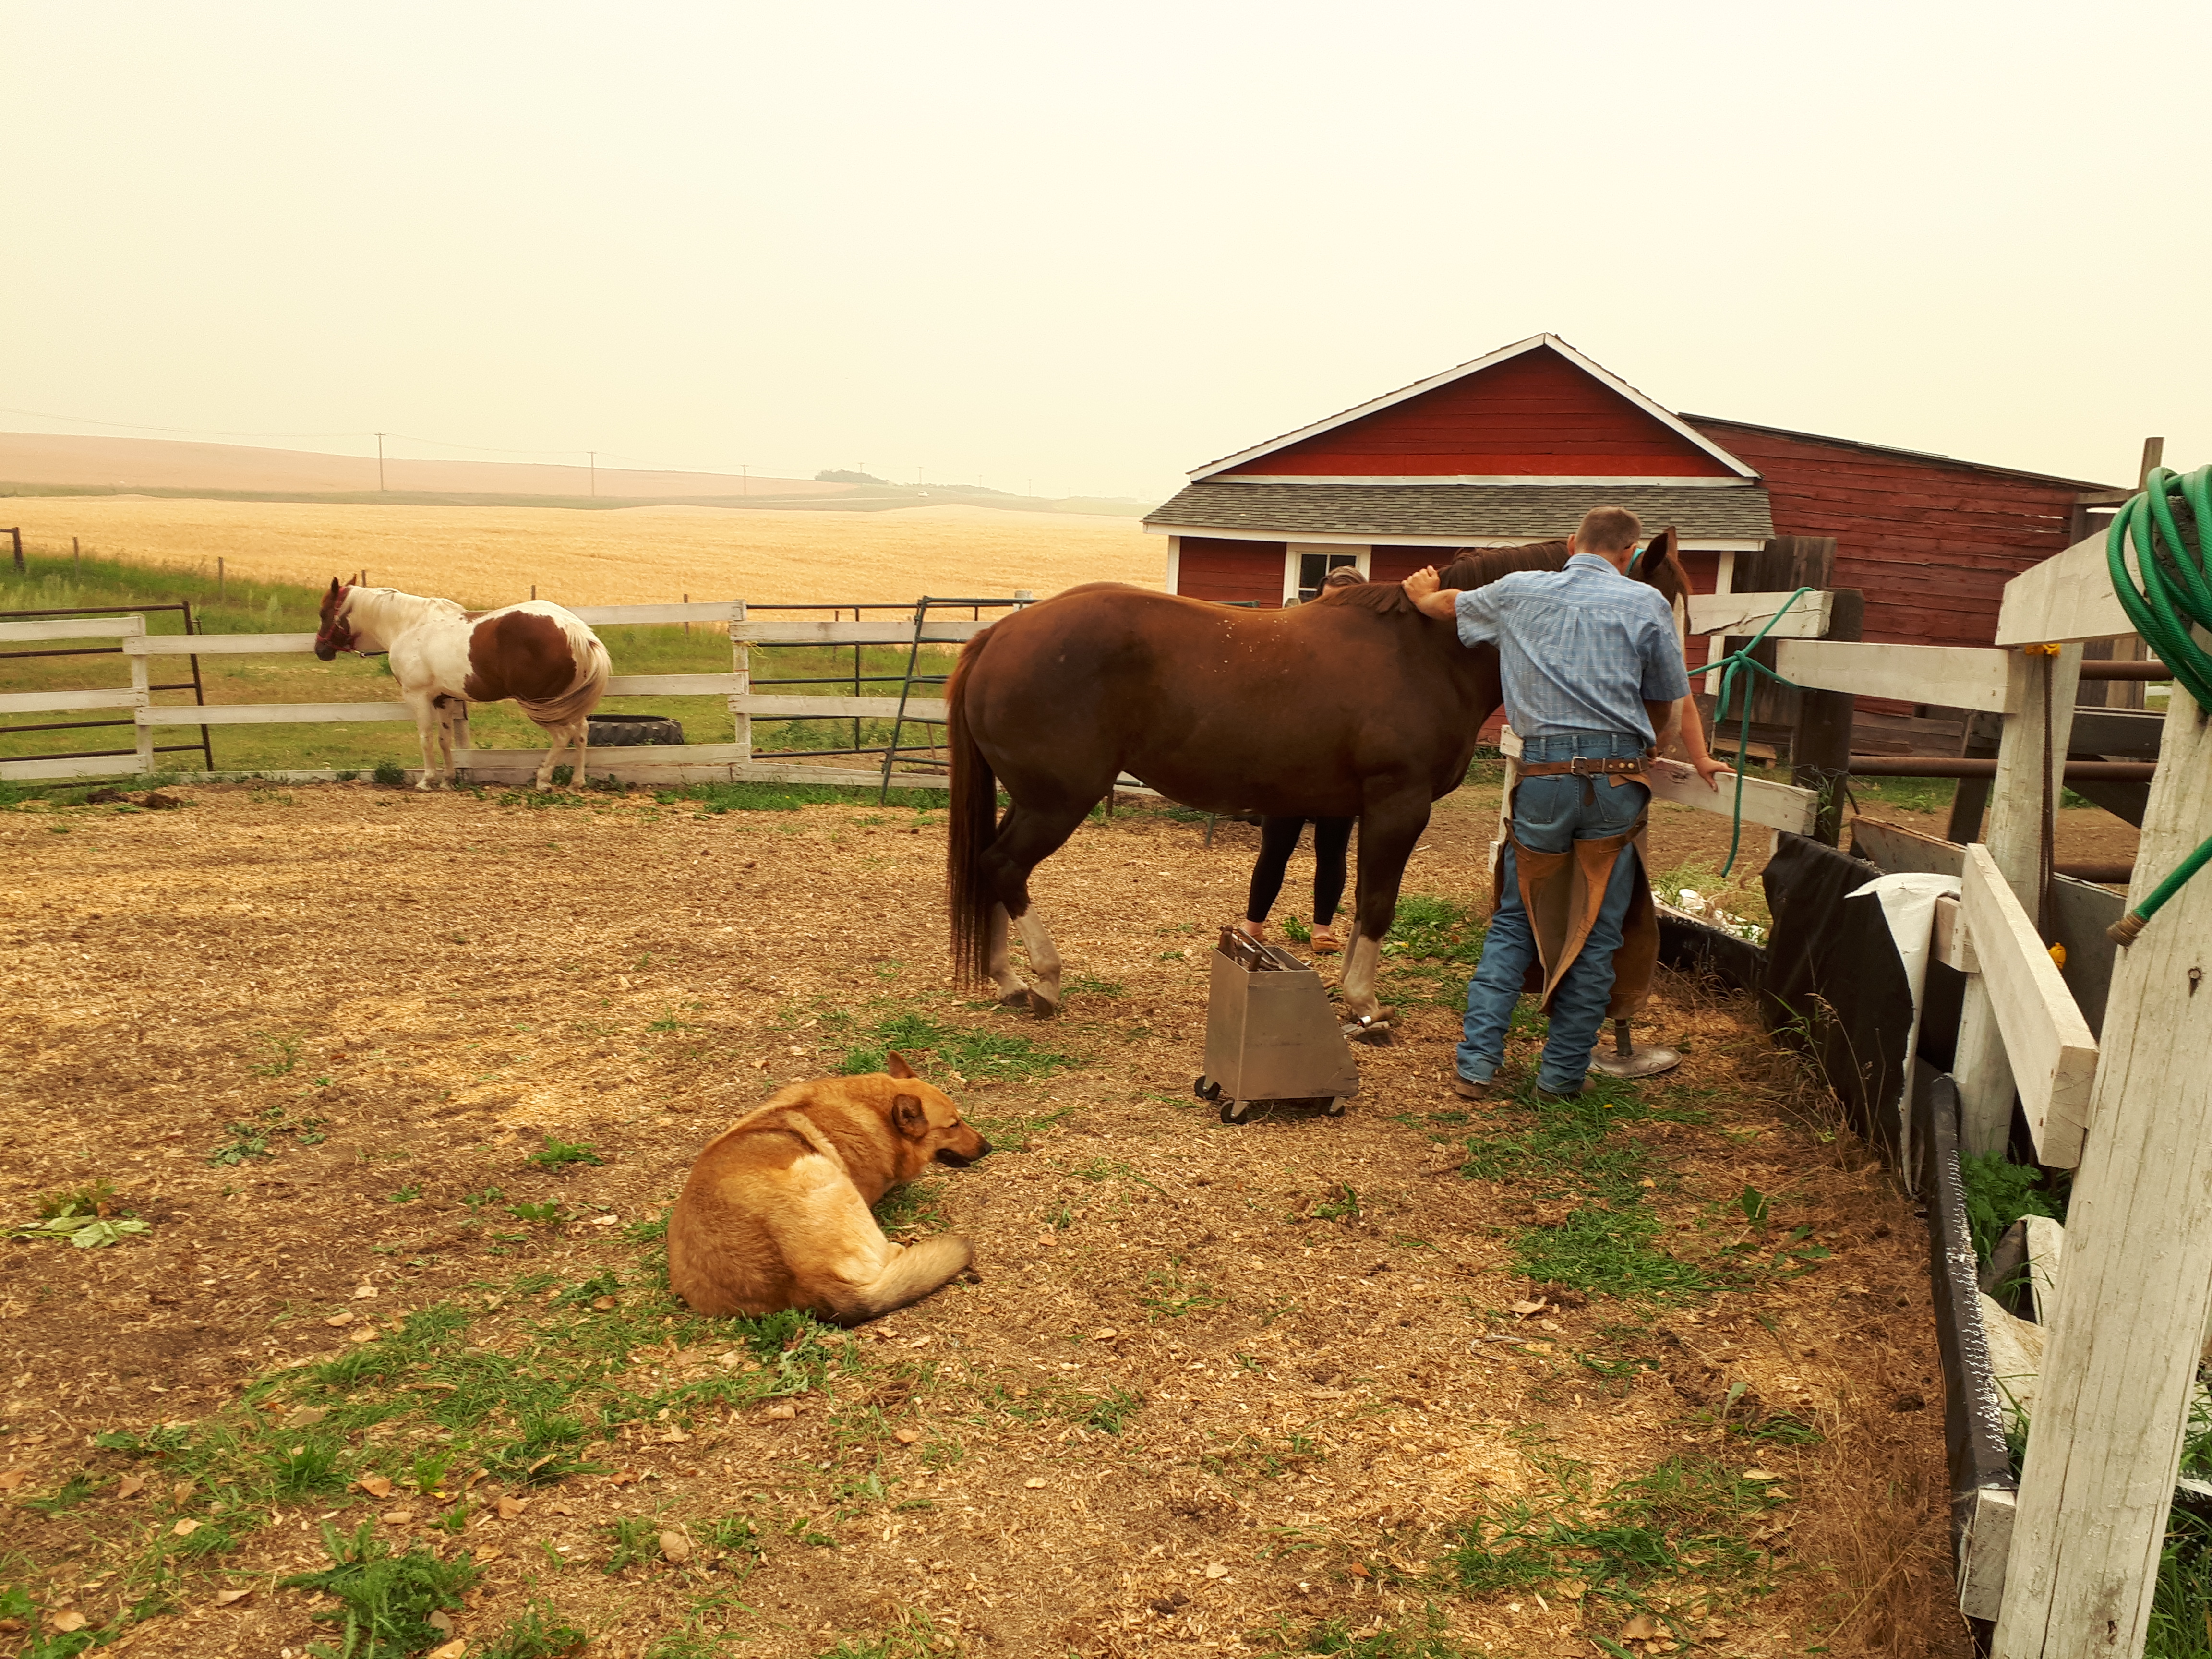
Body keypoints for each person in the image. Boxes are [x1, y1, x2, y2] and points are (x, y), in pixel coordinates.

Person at [1403, 506, 1701, 1100]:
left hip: (1543, 774)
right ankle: (1561, 1076)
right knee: (1596, 932)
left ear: (1572, 544)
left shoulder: (1518, 591)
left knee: (1515, 921)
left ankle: (1477, 1067)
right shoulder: (1646, 604)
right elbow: (1670, 703)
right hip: (1616, 781)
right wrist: (1656, 749)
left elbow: (1444, 609)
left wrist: (1422, 592)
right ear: (1629, 554)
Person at [1237, 565, 1362, 954]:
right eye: (1325, 600)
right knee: (1276, 845)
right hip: (1293, 765)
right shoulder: (1298, 643)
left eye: (1341, 601)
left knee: (1333, 849)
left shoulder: (1368, 655)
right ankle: (1253, 924)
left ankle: (1322, 927)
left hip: (1342, 767)